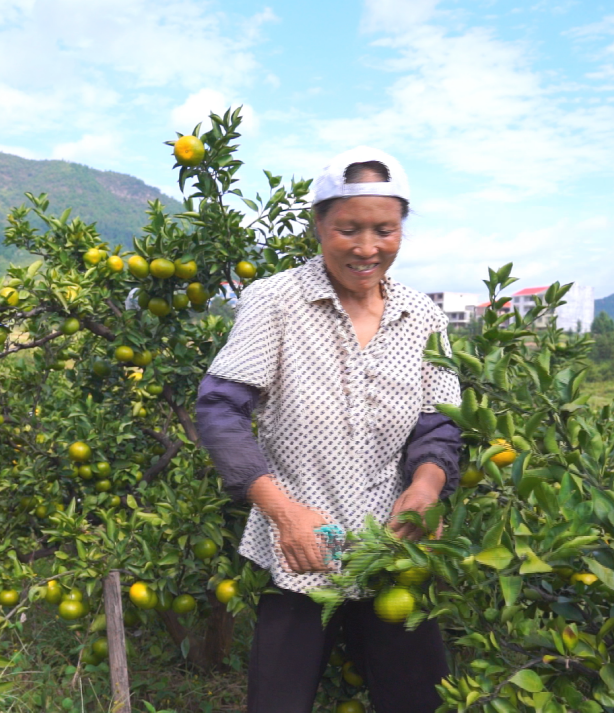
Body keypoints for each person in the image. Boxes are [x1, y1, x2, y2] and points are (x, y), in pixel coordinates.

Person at [195, 147, 464, 713]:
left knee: (420, 700)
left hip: (391, 545)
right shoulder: (276, 299)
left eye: (384, 230)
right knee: (280, 702)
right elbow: (220, 410)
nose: (367, 247)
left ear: (401, 230)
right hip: (303, 545)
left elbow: (438, 422)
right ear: (317, 225)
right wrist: (285, 513)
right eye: (348, 229)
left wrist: (426, 488)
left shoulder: (423, 316)